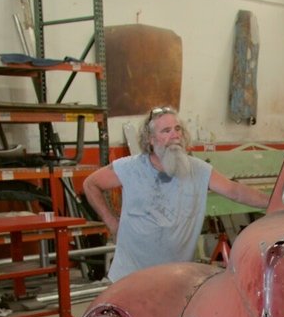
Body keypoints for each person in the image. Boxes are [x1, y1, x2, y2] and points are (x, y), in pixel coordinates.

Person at [82, 106, 270, 282]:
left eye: (177, 129)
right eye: (166, 131)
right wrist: (111, 222)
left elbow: (235, 191)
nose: (175, 135)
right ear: (151, 139)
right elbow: (91, 184)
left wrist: (274, 201)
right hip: (131, 277)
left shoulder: (198, 170)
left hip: (177, 278)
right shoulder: (130, 168)